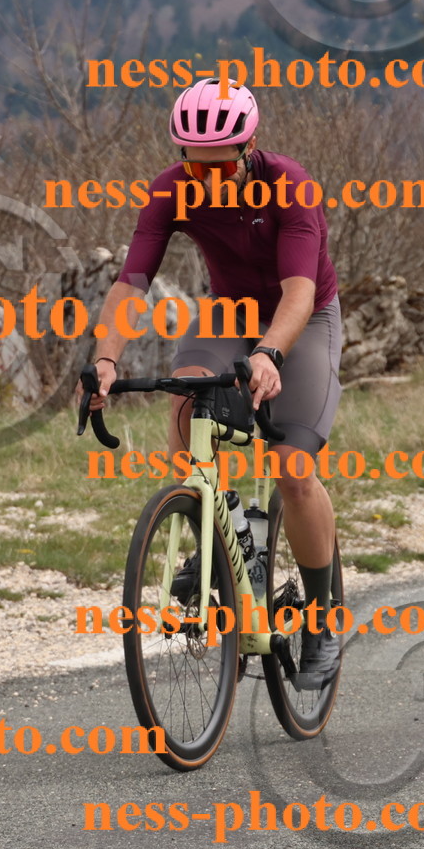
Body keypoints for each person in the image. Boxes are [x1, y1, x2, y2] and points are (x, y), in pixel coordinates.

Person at [87, 78, 342, 688]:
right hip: (229, 313)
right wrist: (105, 359)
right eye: (194, 166)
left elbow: (300, 291)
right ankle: (216, 527)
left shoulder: (290, 185)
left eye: (219, 166)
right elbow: (132, 282)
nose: (205, 179)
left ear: (249, 149)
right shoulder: (171, 192)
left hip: (300, 321)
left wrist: (270, 353)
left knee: (292, 467)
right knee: (188, 396)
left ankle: (323, 616)